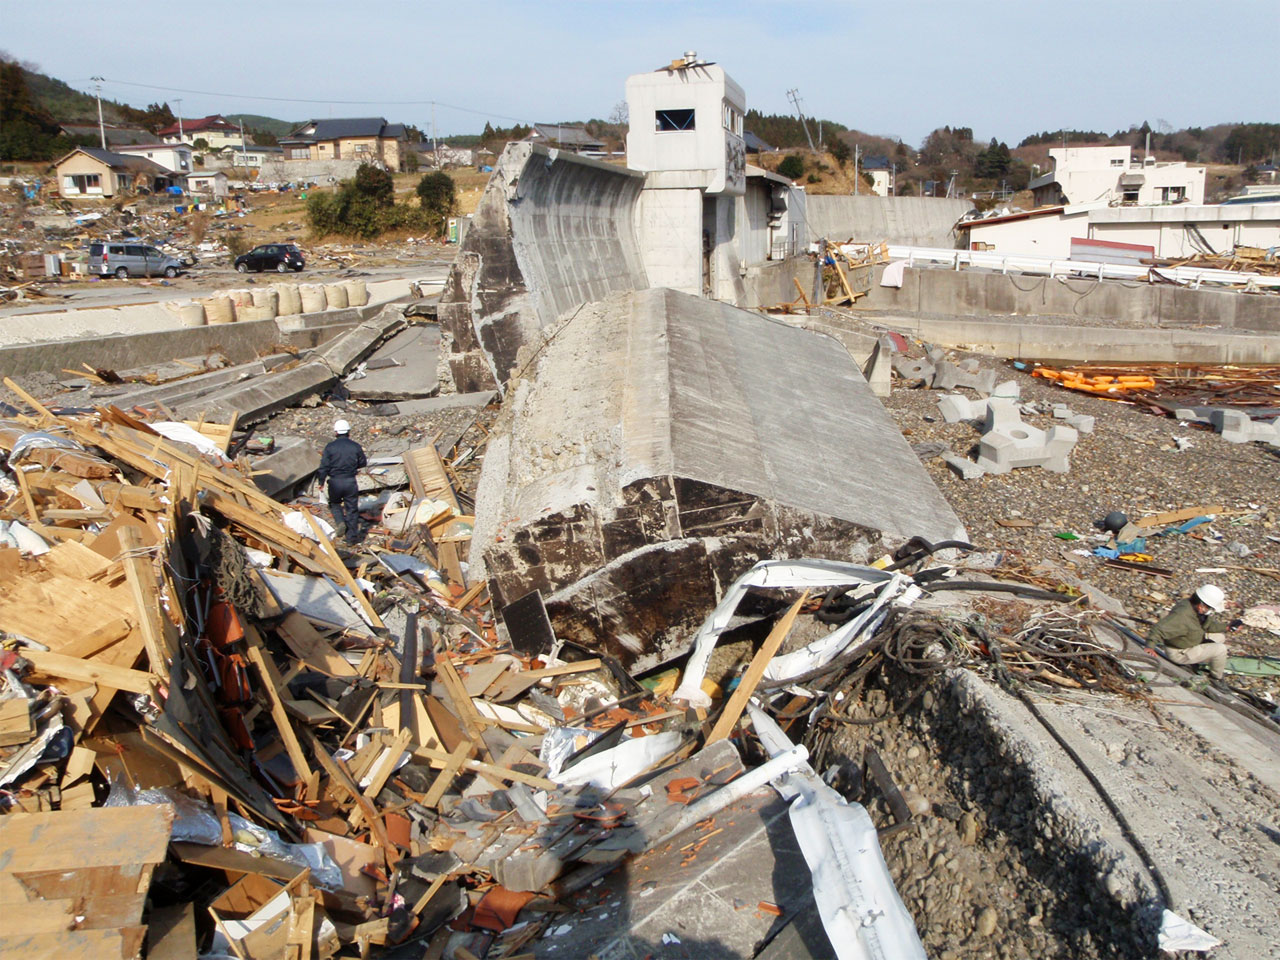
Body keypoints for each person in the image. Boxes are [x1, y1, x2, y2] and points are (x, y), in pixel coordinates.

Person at [1148, 584, 1229, 680]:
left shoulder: (1193, 607)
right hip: (1179, 653)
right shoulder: (1182, 616)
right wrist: (1150, 647)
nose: (1210, 611)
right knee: (1221, 649)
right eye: (1209, 608)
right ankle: (1216, 678)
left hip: (1189, 640)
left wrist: (1227, 627)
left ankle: (1199, 659)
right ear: (1201, 606)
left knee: (1220, 637)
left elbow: (1208, 626)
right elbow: (1158, 629)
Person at [316, 419, 366, 544]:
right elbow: (363, 462)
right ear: (348, 432)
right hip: (350, 482)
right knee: (352, 510)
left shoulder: (330, 447)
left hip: (335, 482)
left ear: (336, 432)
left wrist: (321, 482)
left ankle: (340, 522)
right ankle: (351, 539)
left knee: (335, 504)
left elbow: (324, 467)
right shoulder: (355, 446)